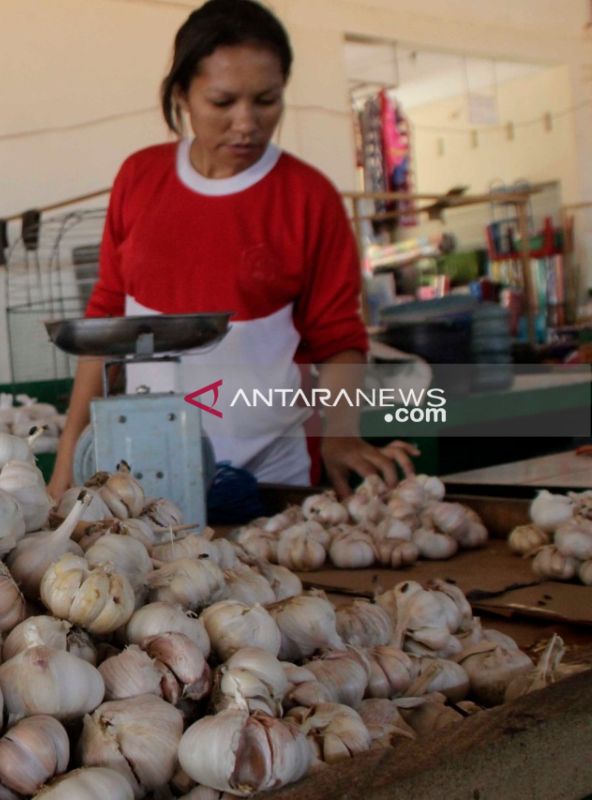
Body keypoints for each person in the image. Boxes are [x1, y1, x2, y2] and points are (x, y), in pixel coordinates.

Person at [49, 0, 417, 501]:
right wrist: (68, 458)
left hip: (273, 472)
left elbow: (337, 336)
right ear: (182, 94)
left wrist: (341, 434)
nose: (246, 123)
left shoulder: (309, 198)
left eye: (266, 101)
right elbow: (105, 321)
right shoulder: (140, 178)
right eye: (223, 102)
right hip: (142, 469)